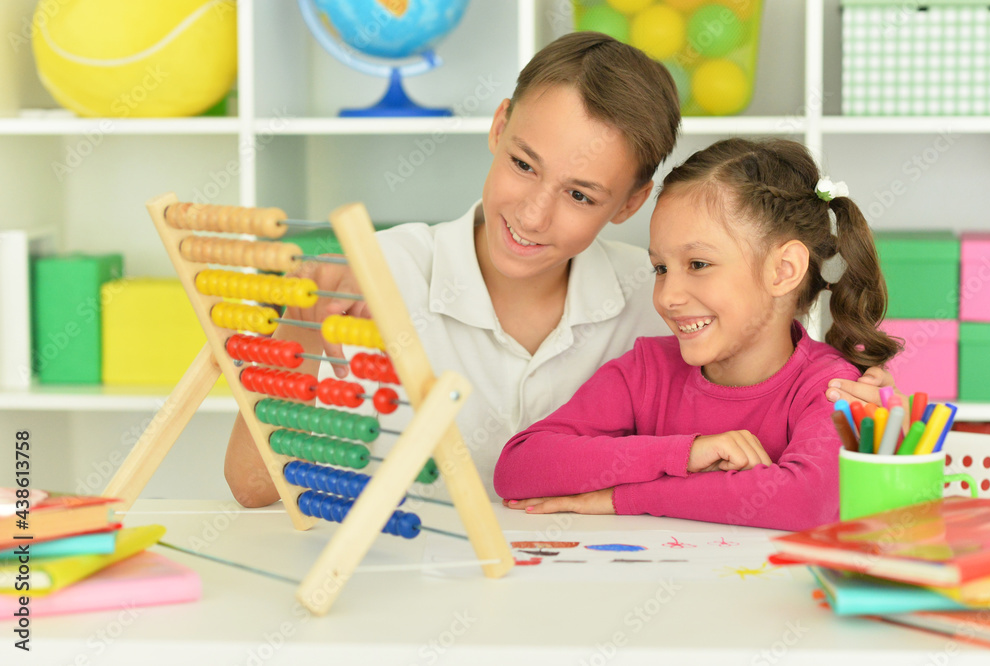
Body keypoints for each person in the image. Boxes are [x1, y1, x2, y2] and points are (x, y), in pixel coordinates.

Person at [225, 34, 892, 508]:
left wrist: (863, 394)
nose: (535, 214)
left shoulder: (664, 301)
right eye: (523, 164)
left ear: (632, 203)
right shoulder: (381, 273)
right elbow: (252, 489)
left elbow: (781, 404)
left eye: (580, 195)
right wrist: (300, 337)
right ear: (499, 126)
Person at [494, 138, 901, 531]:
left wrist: (625, 498)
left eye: (699, 264)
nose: (668, 296)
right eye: (661, 268)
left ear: (783, 270)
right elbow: (519, 468)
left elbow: (805, 500)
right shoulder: (646, 371)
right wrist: (687, 452)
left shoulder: (831, 388)